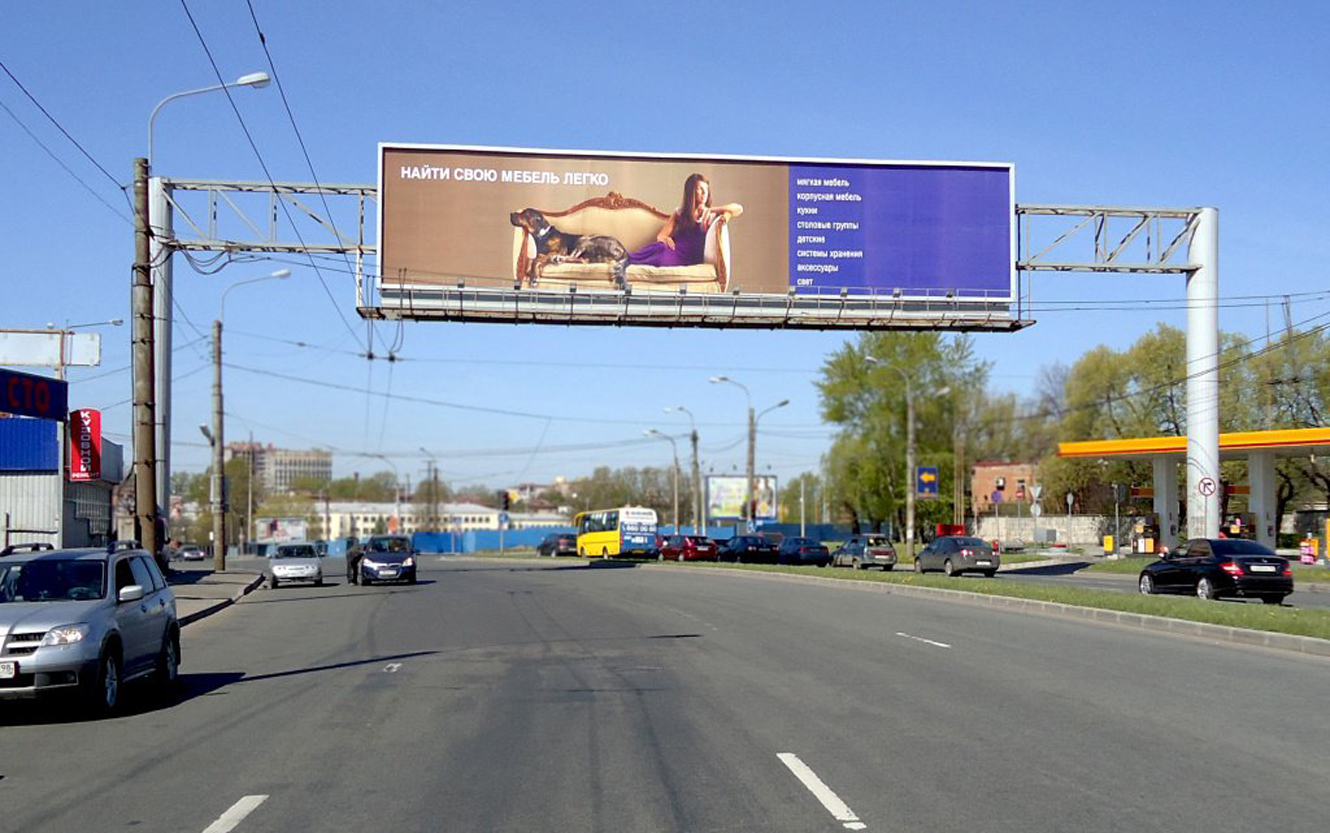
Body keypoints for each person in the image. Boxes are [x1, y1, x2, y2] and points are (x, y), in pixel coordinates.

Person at [628, 173, 743, 267]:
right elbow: (661, 236)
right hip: (674, 249)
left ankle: (628, 262)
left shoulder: (711, 215)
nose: (704, 193)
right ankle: (627, 259)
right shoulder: (680, 212)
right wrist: (666, 239)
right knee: (660, 247)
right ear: (691, 192)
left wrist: (712, 210)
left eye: (706, 189)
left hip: (690, 257)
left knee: (661, 259)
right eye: (700, 189)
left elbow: (738, 209)